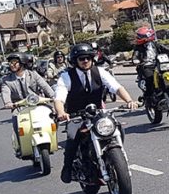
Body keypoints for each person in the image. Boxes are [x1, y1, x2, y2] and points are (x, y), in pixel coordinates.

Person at [54, 43, 139, 184]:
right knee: (73, 138)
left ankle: (114, 156)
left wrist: (129, 100)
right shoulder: (66, 76)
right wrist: (61, 112)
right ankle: (67, 168)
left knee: (116, 127)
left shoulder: (100, 72)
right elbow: (59, 97)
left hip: (98, 112)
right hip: (76, 115)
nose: (85, 61)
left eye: (88, 58)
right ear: (75, 61)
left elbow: (116, 87)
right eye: (81, 59)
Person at [0, 52, 55, 140]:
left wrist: (53, 96)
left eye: (14, 62)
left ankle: (53, 138)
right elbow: (5, 92)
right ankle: (20, 144)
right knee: (16, 123)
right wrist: (8, 103)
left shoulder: (33, 74)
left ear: (22, 62)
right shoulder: (6, 80)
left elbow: (45, 86)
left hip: (37, 103)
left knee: (53, 114)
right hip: (19, 107)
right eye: (10, 62)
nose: (11, 65)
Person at [132, 26, 169, 105]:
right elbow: (135, 55)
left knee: (168, 71)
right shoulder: (138, 48)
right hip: (146, 66)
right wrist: (136, 60)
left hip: (158, 64)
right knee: (149, 79)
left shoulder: (154, 44)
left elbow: (165, 49)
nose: (139, 38)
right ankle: (148, 97)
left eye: (141, 37)